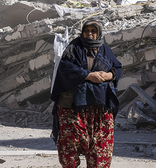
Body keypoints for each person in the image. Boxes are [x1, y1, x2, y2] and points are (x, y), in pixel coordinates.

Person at [50, 19, 122, 168]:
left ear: (98, 33)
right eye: (87, 30)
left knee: (100, 147)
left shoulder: (105, 50)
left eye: (93, 31)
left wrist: (109, 76)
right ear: (82, 32)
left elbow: (117, 67)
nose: (89, 33)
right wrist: (89, 76)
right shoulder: (73, 48)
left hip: (100, 107)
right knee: (69, 144)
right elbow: (65, 68)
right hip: (74, 106)